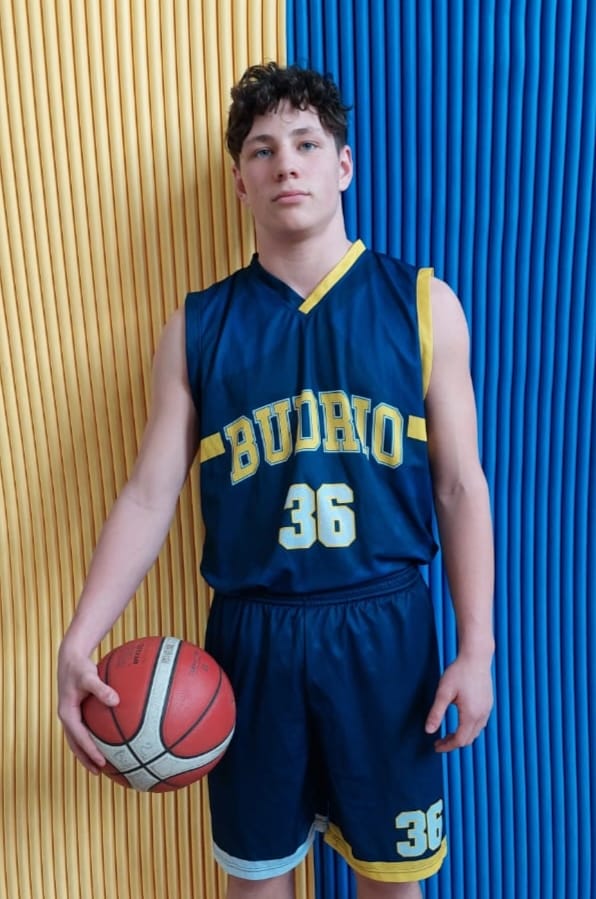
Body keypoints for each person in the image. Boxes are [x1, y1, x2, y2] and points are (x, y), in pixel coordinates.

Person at [58, 62, 494, 899]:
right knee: (258, 883)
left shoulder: (423, 303)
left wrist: (476, 647)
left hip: (385, 631)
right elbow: (150, 493)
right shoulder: (198, 324)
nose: (285, 163)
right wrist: (80, 636)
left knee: (392, 880)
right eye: (262, 150)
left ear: (344, 165)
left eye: (305, 144)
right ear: (240, 182)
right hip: (252, 642)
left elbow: (460, 487)